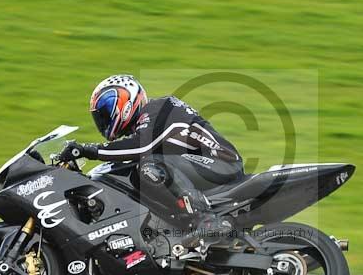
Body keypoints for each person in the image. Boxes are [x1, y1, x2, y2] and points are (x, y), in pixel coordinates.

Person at [59, 74, 244, 246]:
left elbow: (140, 147)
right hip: (202, 166)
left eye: (106, 113)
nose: (103, 120)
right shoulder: (145, 123)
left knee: (150, 166)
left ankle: (207, 221)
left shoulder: (159, 109)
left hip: (222, 162)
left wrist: (87, 150)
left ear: (126, 103)